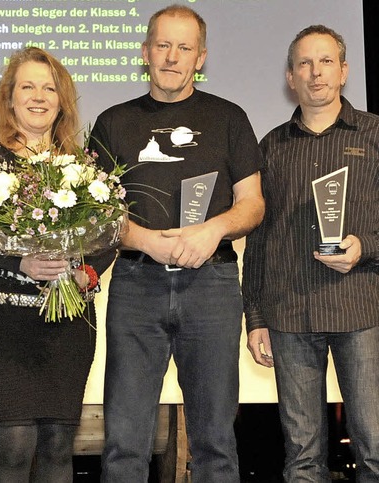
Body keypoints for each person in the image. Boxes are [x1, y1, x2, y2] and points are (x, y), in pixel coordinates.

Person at [89, 6, 265, 482]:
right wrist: (149, 242)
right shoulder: (112, 122)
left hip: (212, 286)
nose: (172, 56)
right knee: (125, 443)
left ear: (200, 57)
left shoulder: (229, 117)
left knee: (215, 442)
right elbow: (96, 214)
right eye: (162, 45)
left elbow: (252, 204)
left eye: (184, 47)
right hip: (135, 285)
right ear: (145, 52)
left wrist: (212, 230)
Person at [0, 46, 115, 482]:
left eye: (49, 88)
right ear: (9, 98)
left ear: (62, 100)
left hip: (69, 321)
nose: (39, 96)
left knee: (60, 448)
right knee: (13, 446)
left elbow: (109, 233)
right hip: (6, 322)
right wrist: (20, 264)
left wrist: (87, 271)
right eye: (27, 86)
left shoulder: (82, 166)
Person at [243, 25, 379, 482]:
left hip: (360, 310)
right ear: (289, 76)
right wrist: (256, 317)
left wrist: (366, 246)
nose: (315, 72)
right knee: (301, 460)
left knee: (376, 447)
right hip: (288, 317)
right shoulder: (269, 148)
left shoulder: (376, 136)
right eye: (304, 63)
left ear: (343, 71)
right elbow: (258, 240)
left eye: (325, 62)